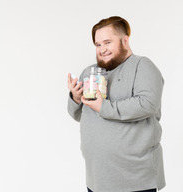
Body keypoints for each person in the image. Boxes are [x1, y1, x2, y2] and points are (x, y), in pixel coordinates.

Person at [67, 16, 166, 192]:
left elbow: (148, 104)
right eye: (98, 45)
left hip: (134, 180)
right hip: (96, 179)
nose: (102, 49)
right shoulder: (89, 72)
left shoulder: (142, 66)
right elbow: (78, 115)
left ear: (125, 40)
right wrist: (75, 97)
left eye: (107, 42)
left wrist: (103, 107)